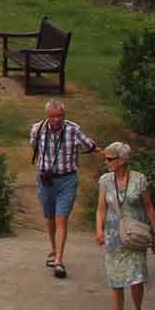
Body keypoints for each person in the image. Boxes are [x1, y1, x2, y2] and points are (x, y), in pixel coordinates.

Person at [96, 141, 155, 310]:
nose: (106, 162)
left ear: (122, 161)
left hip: (135, 234)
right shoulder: (105, 181)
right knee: (115, 280)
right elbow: (101, 208)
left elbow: (148, 206)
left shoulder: (139, 180)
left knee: (136, 278)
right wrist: (98, 230)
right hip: (113, 234)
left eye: (109, 159)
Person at [31, 99, 99, 280]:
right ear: (47, 116)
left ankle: (59, 261)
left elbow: (89, 145)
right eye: (53, 116)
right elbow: (34, 146)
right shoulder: (37, 129)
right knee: (49, 217)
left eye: (60, 116)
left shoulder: (73, 130)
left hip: (67, 179)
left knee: (62, 218)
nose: (57, 120)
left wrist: (103, 152)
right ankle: (53, 250)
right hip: (45, 179)